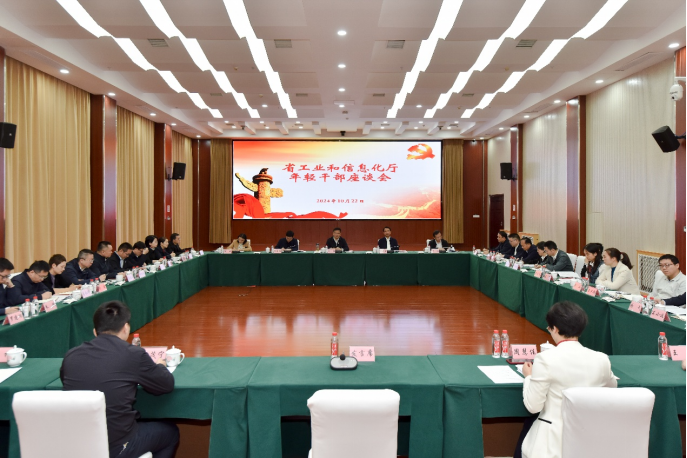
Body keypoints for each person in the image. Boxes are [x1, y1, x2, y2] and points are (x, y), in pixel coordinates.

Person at [60, 301, 178, 458]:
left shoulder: (71, 355)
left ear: (95, 331)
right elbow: (166, 384)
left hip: (79, 445)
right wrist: (161, 366)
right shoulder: (133, 354)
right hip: (117, 446)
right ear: (126, 328)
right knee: (171, 433)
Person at [517, 301, 617, 458]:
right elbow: (612, 388)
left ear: (555, 329)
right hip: (588, 440)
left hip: (552, 443)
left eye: (549, 328)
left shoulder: (545, 359)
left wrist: (528, 377)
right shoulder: (601, 359)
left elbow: (533, 406)